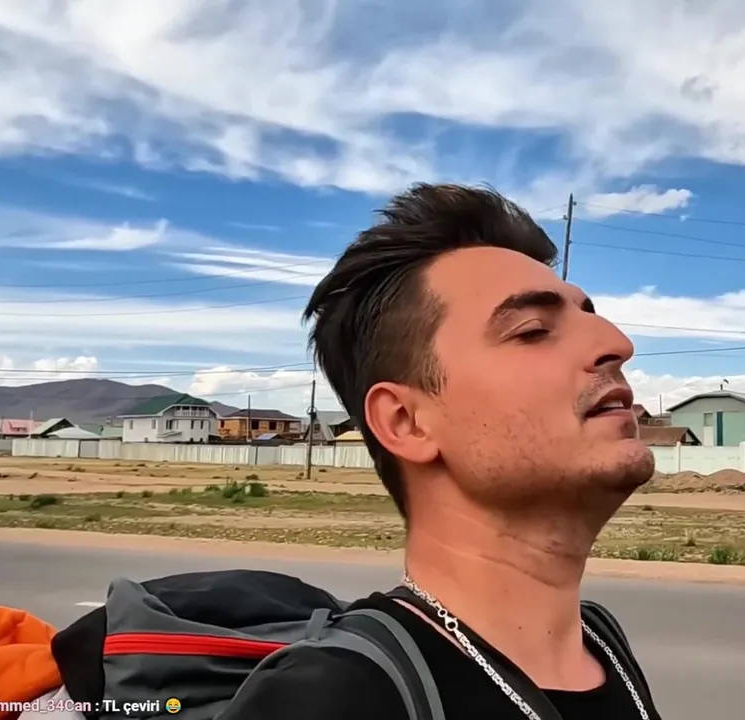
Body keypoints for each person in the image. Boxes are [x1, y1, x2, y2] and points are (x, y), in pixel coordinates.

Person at [222, 183, 661, 719]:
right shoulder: (331, 698)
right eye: (533, 330)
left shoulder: (603, 646)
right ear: (406, 422)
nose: (617, 343)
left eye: (591, 316)